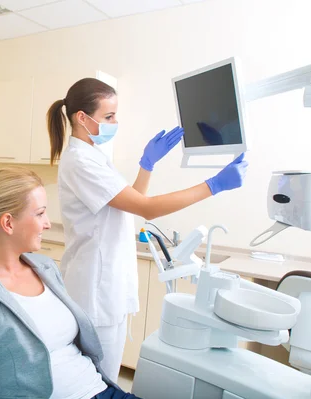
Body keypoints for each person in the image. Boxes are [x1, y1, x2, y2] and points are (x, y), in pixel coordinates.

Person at [47, 77, 248, 380]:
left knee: (104, 378)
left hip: (104, 285)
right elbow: (147, 207)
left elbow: (133, 201)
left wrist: (147, 165)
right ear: (82, 118)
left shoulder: (94, 157)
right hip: (95, 290)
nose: (116, 122)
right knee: (100, 382)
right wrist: (213, 185)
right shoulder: (80, 162)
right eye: (109, 116)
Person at [0, 167, 144, 399]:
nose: (47, 223)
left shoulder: (45, 267)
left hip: (101, 390)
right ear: (8, 223)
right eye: (40, 213)